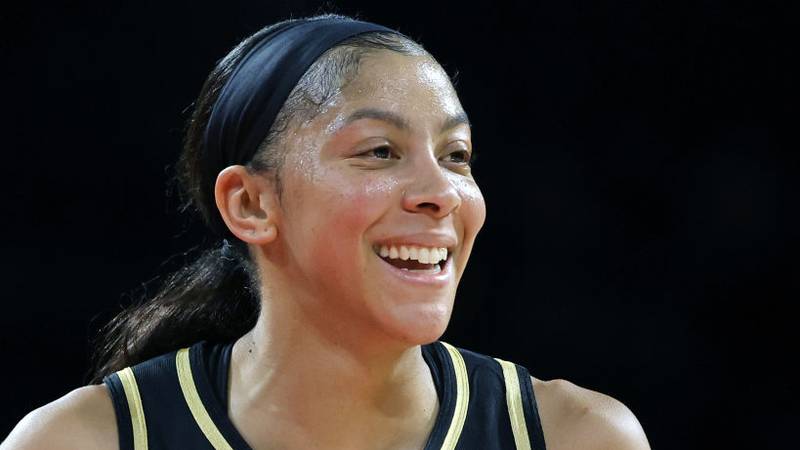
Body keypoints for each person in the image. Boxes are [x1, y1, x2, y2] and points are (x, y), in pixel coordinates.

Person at [2, 14, 650, 450]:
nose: (442, 193)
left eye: (456, 155)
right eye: (378, 151)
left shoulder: (578, 436)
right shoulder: (82, 441)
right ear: (251, 203)